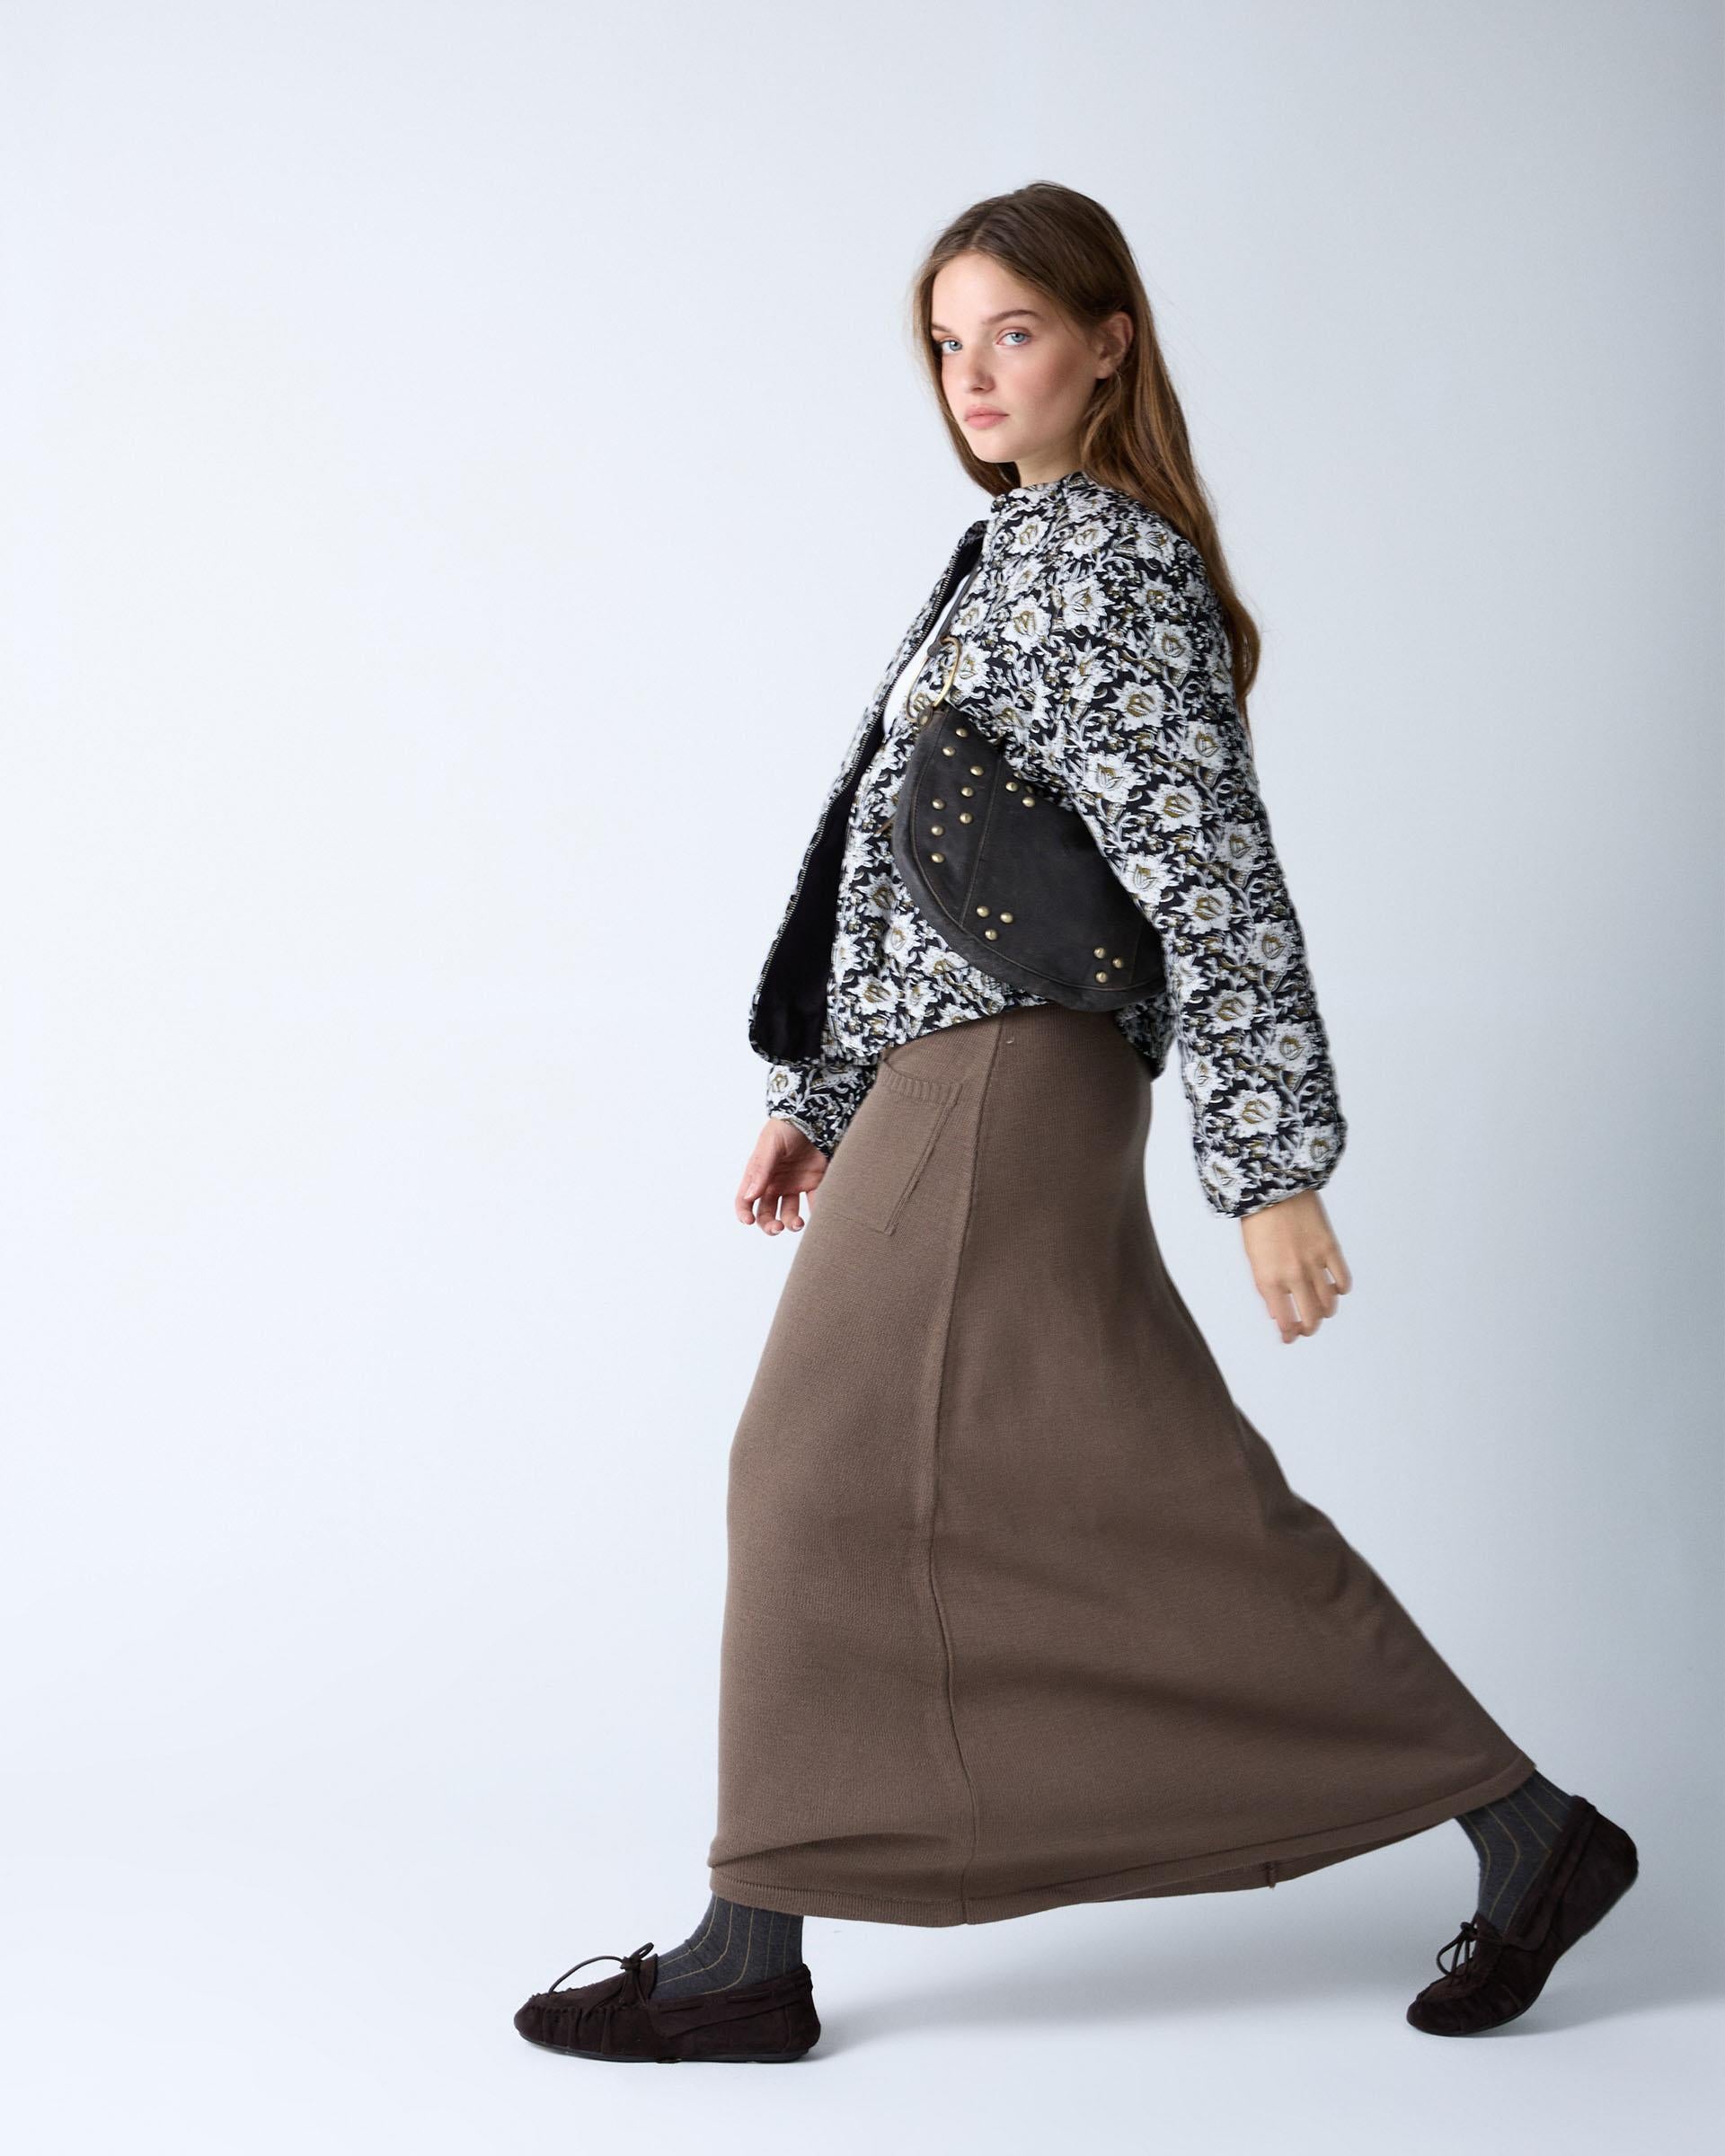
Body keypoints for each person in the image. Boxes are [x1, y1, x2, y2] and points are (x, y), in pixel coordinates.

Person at [512, 181, 1637, 2066]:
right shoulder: (1012, 554)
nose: (971, 374)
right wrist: (823, 1095)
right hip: (961, 1078)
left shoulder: (1098, 560)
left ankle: (747, 1955)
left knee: (806, 1468)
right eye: (946, 344)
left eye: (1011, 333)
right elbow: (928, 873)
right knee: (1144, 1481)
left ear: (1109, 342)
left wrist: (1271, 1169)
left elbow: (1208, 866)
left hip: (1007, 1084)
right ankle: (1528, 1834)